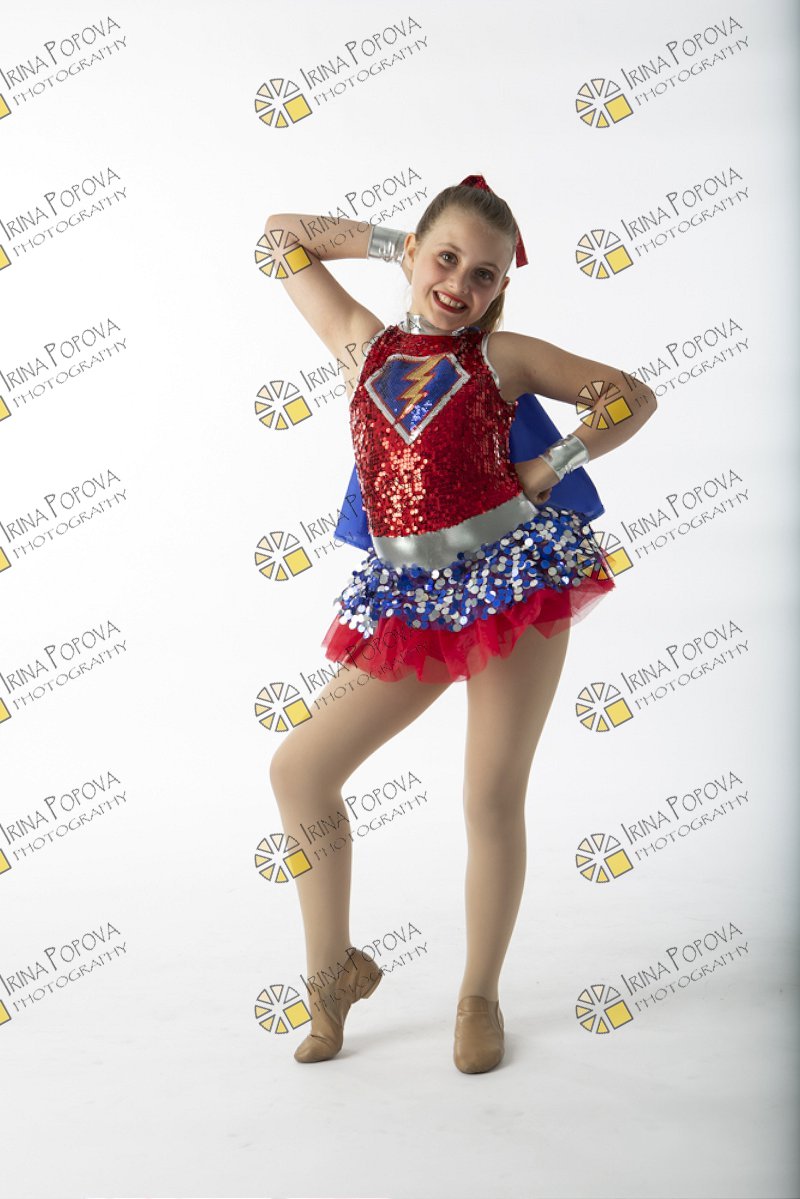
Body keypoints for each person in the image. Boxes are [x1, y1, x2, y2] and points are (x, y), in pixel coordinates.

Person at [263, 174, 657, 1073]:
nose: (460, 284)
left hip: (516, 578)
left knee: (488, 794)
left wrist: (550, 466)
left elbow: (630, 395)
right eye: (445, 259)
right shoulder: (360, 342)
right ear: (412, 253)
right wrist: (389, 240)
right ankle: (333, 973)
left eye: (484, 274)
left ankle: (479, 993)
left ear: (501, 288)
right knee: (300, 770)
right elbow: (278, 237)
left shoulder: (502, 356)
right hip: (411, 597)